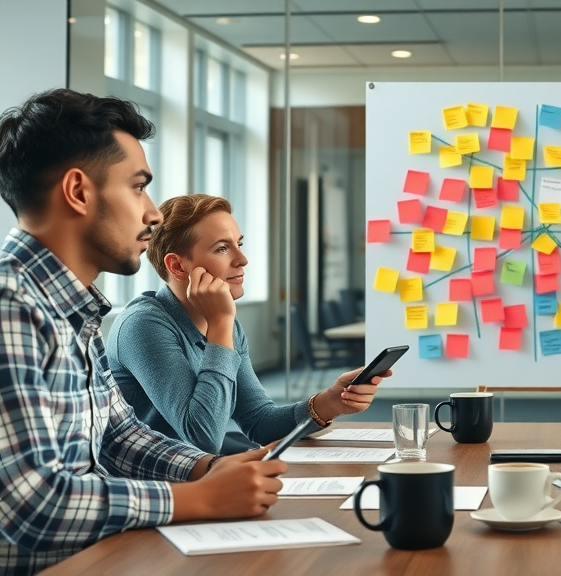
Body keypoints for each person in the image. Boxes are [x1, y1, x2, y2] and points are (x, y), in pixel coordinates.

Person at [0, 89, 287, 574]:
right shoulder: (12, 306)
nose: (153, 213)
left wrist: (208, 469)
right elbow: (31, 503)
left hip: (103, 554)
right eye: (138, 187)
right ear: (78, 191)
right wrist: (195, 499)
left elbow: (118, 435)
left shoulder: (74, 309)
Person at [106, 194, 386, 454]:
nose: (242, 260)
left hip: (197, 481)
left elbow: (259, 421)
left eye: (238, 245)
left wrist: (330, 402)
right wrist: (221, 323)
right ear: (178, 267)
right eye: (222, 248)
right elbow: (203, 437)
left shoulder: (225, 326)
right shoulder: (143, 325)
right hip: (152, 492)